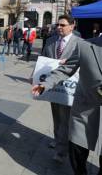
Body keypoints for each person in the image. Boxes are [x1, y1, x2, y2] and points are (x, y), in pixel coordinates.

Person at [32, 35, 102, 175]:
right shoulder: (85, 46)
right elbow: (66, 69)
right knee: (77, 149)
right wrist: (45, 84)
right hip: (85, 110)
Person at [41, 15, 81, 163]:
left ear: (72, 26)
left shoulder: (79, 43)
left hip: (68, 89)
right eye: (58, 24)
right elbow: (43, 59)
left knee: (65, 119)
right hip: (52, 87)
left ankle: (62, 151)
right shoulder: (51, 41)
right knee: (56, 117)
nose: (59, 27)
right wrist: (34, 75)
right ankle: (58, 140)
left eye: (63, 25)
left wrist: (67, 63)